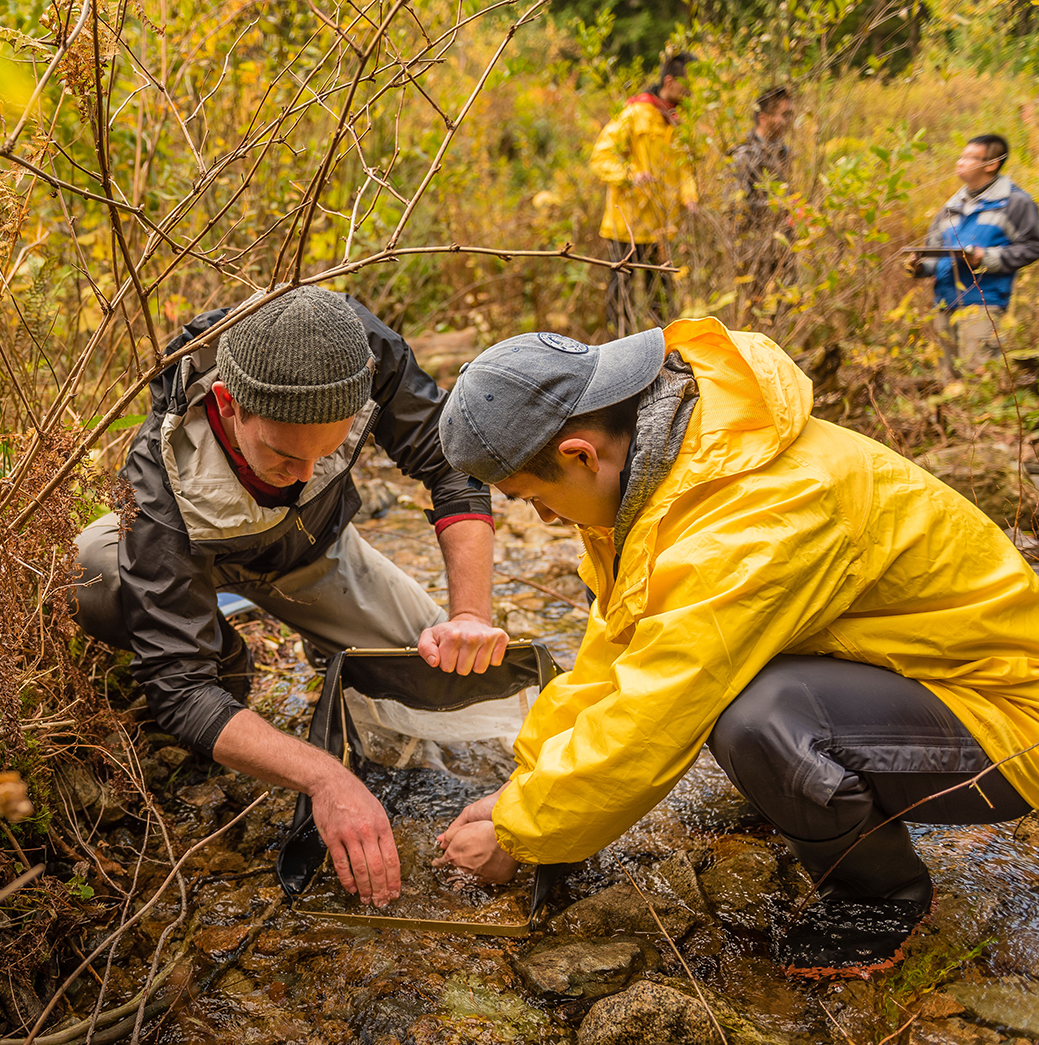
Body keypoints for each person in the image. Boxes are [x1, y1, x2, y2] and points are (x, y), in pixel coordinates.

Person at [433, 321, 1039, 977]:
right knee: (737, 692)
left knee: (757, 718)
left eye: (537, 500)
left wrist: (521, 835)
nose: (547, 520)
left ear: (581, 455)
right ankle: (822, 799)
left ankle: (880, 899)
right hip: (915, 682)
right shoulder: (666, 473)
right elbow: (617, 655)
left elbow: (657, 709)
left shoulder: (754, 515)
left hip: (1007, 723)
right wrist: (525, 785)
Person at [74, 286, 508, 909]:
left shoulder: (356, 354)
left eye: (326, 452)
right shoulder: (162, 470)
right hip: (199, 570)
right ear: (229, 404)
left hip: (318, 554)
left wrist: (470, 614)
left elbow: (452, 464)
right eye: (284, 455)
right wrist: (323, 776)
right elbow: (178, 691)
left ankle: (327, 641)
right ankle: (229, 660)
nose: (305, 475)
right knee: (94, 574)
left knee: (446, 684)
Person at [906, 134, 1039, 384]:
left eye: (969, 158)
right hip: (944, 303)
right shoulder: (950, 206)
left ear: (991, 164)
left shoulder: (1015, 202)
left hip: (983, 303)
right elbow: (934, 250)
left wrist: (985, 257)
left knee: (978, 381)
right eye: (961, 156)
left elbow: (1033, 246)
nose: (960, 162)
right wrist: (919, 265)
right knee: (948, 381)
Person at [589, 52, 699, 336]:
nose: (690, 90)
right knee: (620, 298)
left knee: (662, 302)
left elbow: (684, 167)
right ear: (670, 81)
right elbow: (601, 158)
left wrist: (690, 196)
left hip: (661, 228)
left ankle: (661, 358)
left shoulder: (679, 120)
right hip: (626, 225)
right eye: (687, 83)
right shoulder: (635, 112)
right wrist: (630, 175)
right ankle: (615, 353)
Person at [729, 86, 795, 295]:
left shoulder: (784, 152)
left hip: (783, 250)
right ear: (764, 118)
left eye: (790, 115)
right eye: (783, 115)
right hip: (752, 253)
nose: (788, 121)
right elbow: (735, 207)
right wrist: (776, 208)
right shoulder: (743, 156)